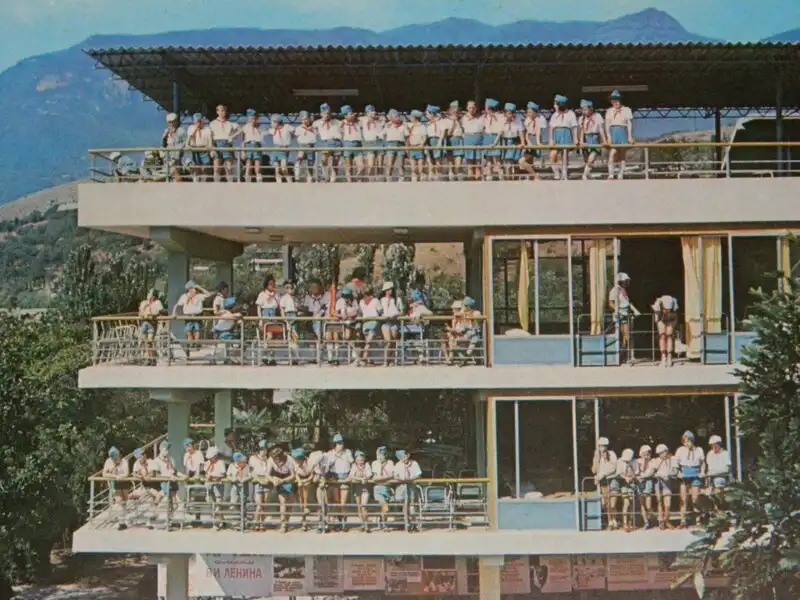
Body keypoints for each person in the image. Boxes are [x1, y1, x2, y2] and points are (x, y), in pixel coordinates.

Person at [608, 272, 640, 365]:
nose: (627, 282)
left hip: (627, 313)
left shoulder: (623, 290)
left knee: (630, 335)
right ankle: (625, 356)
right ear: (621, 281)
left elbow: (627, 302)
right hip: (622, 314)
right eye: (625, 281)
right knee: (626, 336)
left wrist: (634, 310)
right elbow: (611, 303)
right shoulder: (615, 290)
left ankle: (631, 355)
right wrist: (618, 310)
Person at [675, 430, 705, 528]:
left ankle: (698, 520)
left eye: (687, 441)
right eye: (684, 441)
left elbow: (702, 463)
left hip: (695, 474)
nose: (686, 443)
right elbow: (676, 464)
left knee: (695, 499)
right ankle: (683, 521)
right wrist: (678, 473)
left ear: (692, 440)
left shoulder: (699, 450)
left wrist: (702, 472)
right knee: (683, 499)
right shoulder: (680, 450)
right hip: (684, 474)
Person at [324, 433, 354, 530]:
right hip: (334, 478)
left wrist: (351, 475)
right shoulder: (329, 453)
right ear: (334, 445)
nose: (341, 445)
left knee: (343, 503)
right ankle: (335, 523)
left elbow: (353, 464)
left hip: (345, 477)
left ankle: (344, 523)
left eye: (342, 443)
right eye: (339, 443)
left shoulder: (347, 452)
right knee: (334, 502)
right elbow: (325, 467)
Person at [173, 280, 211, 354]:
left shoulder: (199, 296)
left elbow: (208, 295)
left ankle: (196, 344)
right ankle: (191, 345)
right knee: (188, 331)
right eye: (193, 288)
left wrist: (200, 288)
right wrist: (174, 313)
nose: (195, 290)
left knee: (198, 330)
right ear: (189, 289)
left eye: (195, 288)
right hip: (188, 317)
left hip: (197, 316)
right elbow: (177, 305)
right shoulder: (184, 296)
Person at [605, 90, 634, 180]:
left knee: (622, 153)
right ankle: (611, 174)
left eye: (617, 100)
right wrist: (608, 136)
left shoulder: (627, 110)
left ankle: (620, 174)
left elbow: (629, 124)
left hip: (623, 130)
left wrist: (629, 136)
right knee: (612, 152)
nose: (615, 102)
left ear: (620, 100)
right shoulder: (609, 111)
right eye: (613, 100)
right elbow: (607, 125)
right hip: (613, 131)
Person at [548, 95, 578, 180]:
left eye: (556, 104)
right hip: (556, 134)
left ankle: (564, 174)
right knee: (552, 155)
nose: (554, 106)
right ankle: (556, 173)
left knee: (564, 155)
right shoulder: (554, 115)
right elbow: (551, 127)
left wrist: (575, 138)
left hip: (566, 133)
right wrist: (551, 139)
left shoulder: (570, 113)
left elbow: (574, 127)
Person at [647, 443, 677, 529]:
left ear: (666, 451)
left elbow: (675, 472)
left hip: (667, 483)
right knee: (659, 501)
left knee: (668, 503)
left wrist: (669, 474)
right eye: (659, 453)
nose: (661, 455)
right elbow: (651, 472)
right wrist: (657, 474)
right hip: (658, 482)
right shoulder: (656, 461)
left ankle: (667, 520)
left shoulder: (672, 459)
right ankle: (661, 521)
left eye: (662, 452)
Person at [131, 448, 162, 528]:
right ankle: (151, 517)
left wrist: (148, 475)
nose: (142, 457)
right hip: (147, 485)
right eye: (139, 456)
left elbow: (154, 471)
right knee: (157, 496)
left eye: (143, 455)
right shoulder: (136, 464)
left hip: (155, 483)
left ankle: (152, 516)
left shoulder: (150, 461)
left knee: (155, 499)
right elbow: (134, 473)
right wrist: (142, 476)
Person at [591, 437, 618, 529]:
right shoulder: (597, 456)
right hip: (603, 481)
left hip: (612, 479)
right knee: (606, 502)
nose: (602, 448)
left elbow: (613, 467)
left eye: (604, 446)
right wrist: (595, 460)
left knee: (613, 502)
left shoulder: (612, 454)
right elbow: (594, 470)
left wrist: (603, 474)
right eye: (601, 446)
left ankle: (615, 519)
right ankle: (610, 521)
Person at [392, 450, 422, 532]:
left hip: (411, 485)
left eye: (404, 457)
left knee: (412, 505)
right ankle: (406, 523)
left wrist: (409, 479)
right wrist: (401, 479)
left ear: (408, 455)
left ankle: (414, 523)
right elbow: (395, 476)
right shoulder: (398, 465)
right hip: (402, 486)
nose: (404, 459)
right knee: (404, 506)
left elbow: (419, 475)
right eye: (401, 458)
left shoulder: (414, 463)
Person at [303, 279, 332, 361]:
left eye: (315, 287)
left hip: (323, 320)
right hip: (312, 320)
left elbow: (327, 307)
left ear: (321, 287)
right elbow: (306, 309)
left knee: (324, 338)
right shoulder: (308, 297)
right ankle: (313, 357)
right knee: (311, 338)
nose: (313, 289)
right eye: (312, 287)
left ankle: (324, 356)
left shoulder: (327, 295)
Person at [209, 104, 240, 182]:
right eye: (221, 110)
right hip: (216, 143)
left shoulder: (230, 123)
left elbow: (240, 129)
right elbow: (210, 137)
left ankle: (230, 183)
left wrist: (232, 136)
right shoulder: (212, 123)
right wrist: (212, 148)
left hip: (226, 143)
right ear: (217, 112)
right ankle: (216, 184)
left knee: (228, 166)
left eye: (224, 110)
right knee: (217, 166)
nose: (223, 112)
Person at [313, 103, 343, 183]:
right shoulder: (316, 123)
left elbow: (343, 130)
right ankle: (325, 177)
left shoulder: (337, 122)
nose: (326, 115)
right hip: (325, 143)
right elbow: (314, 131)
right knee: (324, 160)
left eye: (328, 113)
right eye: (324, 113)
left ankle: (333, 180)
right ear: (321, 114)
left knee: (335, 163)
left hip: (337, 142)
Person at [103, 446, 131, 529]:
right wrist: (114, 476)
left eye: (116, 456)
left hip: (124, 482)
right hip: (114, 483)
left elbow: (126, 473)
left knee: (125, 500)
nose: (115, 458)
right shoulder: (108, 462)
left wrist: (121, 476)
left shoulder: (124, 461)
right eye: (113, 457)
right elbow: (104, 473)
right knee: (119, 501)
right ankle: (121, 522)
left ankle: (123, 519)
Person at [578, 100, 606, 180]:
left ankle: (584, 175)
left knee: (592, 158)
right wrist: (581, 141)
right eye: (583, 110)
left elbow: (601, 129)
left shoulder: (597, 116)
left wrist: (604, 140)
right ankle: (588, 174)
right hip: (586, 138)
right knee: (587, 160)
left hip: (595, 138)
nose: (584, 111)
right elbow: (582, 131)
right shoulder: (581, 118)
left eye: (586, 109)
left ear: (591, 109)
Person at [518, 101, 546, 180]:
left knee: (523, 161)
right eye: (528, 112)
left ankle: (534, 176)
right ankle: (534, 175)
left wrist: (538, 143)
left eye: (530, 112)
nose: (529, 114)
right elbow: (527, 132)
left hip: (536, 139)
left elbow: (538, 132)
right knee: (523, 161)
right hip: (530, 139)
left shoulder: (541, 118)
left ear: (535, 112)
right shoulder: (527, 119)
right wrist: (528, 142)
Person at [613, 448, 638, 531]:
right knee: (626, 502)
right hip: (623, 483)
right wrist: (625, 477)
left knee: (631, 502)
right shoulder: (619, 461)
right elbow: (619, 472)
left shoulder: (635, 462)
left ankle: (631, 522)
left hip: (632, 483)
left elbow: (637, 472)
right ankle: (625, 523)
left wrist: (632, 477)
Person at [256, 275, 280, 363]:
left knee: (274, 337)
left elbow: (279, 306)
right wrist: (260, 319)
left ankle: (272, 357)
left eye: (273, 283)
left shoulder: (276, 295)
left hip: (274, 315)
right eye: (270, 284)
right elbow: (259, 307)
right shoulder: (262, 294)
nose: (272, 285)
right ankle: (264, 354)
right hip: (266, 314)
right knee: (269, 335)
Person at [348, 451, 373, 531]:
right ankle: (362, 523)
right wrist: (361, 479)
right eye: (358, 460)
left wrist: (365, 478)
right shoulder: (354, 466)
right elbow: (351, 476)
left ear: (364, 459)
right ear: (356, 460)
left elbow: (369, 474)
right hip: (357, 488)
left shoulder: (367, 465)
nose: (360, 462)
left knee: (364, 506)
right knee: (359, 507)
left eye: (362, 460)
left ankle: (366, 525)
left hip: (365, 488)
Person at [334, 286, 360, 364]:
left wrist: (348, 315)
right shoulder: (340, 301)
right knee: (343, 337)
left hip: (352, 323)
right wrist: (342, 316)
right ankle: (337, 357)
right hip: (343, 323)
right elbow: (335, 313)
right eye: (344, 295)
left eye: (347, 295)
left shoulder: (354, 301)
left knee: (352, 337)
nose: (345, 297)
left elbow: (357, 312)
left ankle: (355, 357)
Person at [652, 294, 680, 367]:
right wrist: (660, 325)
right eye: (665, 309)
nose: (667, 310)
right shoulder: (658, 305)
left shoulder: (674, 304)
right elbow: (657, 319)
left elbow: (675, 317)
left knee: (669, 335)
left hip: (671, 318)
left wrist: (672, 326)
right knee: (662, 336)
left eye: (668, 309)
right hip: (661, 318)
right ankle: (663, 356)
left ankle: (669, 356)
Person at [371, 446, 394, 531]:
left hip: (387, 488)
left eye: (382, 455)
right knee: (385, 507)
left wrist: (382, 478)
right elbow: (375, 478)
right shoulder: (374, 463)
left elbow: (392, 475)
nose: (380, 457)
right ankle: (384, 525)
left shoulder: (390, 463)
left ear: (385, 455)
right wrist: (386, 478)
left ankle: (382, 522)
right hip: (378, 488)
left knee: (384, 508)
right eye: (378, 455)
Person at [138, 289, 165, 364]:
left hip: (152, 323)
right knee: (145, 341)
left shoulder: (157, 302)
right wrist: (144, 310)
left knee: (149, 341)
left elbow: (161, 311)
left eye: (152, 295)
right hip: (144, 322)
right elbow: (140, 312)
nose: (150, 296)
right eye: (149, 294)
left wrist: (154, 314)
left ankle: (150, 358)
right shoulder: (143, 302)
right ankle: (150, 358)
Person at [249, 439, 271, 530]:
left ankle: (262, 524)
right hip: (257, 483)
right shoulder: (252, 458)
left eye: (265, 449)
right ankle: (255, 522)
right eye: (262, 449)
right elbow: (251, 471)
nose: (264, 451)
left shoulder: (268, 459)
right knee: (259, 505)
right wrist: (257, 478)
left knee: (265, 504)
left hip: (266, 482)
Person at [292, 447, 316, 530]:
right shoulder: (295, 463)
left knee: (306, 499)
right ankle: (303, 519)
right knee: (301, 500)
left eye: (298, 459)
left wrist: (306, 480)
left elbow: (312, 474)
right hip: (300, 480)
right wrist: (299, 481)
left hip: (308, 480)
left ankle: (306, 515)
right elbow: (295, 473)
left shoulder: (309, 462)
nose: (297, 460)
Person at [379, 281, 402, 366]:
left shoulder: (397, 300)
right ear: (385, 291)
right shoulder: (381, 300)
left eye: (391, 289)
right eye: (388, 289)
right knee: (388, 341)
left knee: (393, 341)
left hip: (394, 322)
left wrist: (396, 314)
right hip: (385, 323)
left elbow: (402, 311)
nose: (390, 291)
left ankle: (391, 360)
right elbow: (379, 311)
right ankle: (385, 360)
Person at [359, 285, 382, 365]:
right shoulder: (363, 301)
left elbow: (380, 311)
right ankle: (368, 359)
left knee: (369, 341)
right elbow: (380, 311)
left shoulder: (373, 301)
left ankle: (365, 358)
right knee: (369, 342)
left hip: (371, 323)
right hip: (368, 323)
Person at [186, 113, 213, 182]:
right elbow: (188, 140)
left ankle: (203, 182)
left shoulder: (207, 129)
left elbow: (210, 142)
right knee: (195, 168)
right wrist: (195, 129)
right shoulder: (191, 128)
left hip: (204, 150)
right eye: (196, 121)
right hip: (194, 149)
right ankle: (195, 181)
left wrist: (211, 151)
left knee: (204, 168)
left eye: (199, 121)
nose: (198, 122)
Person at [204, 446, 226, 529]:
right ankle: (220, 520)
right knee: (212, 503)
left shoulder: (220, 462)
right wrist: (208, 476)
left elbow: (222, 474)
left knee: (218, 503)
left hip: (218, 485)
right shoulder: (208, 463)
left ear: (215, 456)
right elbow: (205, 472)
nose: (210, 458)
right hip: (209, 485)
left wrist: (213, 475)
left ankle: (217, 522)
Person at [461, 100, 485, 181]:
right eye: (470, 108)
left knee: (478, 159)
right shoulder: (463, 118)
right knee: (469, 159)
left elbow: (483, 128)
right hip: (468, 137)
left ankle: (478, 177)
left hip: (478, 137)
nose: (471, 109)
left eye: (473, 108)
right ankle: (470, 176)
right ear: (467, 108)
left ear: (476, 108)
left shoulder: (481, 117)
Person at [360, 104, 384, 181]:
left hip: (379, 142)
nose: (373, 112)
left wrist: (377, 119)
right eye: (371, 111)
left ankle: (380, 179)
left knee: (380, 163)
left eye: (373, 111)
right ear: (367, 113)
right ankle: (371, 180)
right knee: (371, 164)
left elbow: (383, 123)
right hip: (369, 143)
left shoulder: (380, 120)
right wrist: (369, 119)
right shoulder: (363, 120)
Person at [499, 103, 523, 180]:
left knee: (515, 161)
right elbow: (500, 132)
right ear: (505, 113)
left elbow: (521, 132)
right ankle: (508, 178)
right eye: (509, 113)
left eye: (512, 113)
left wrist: (522, 143)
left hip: (515, 140)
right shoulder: (502, 120)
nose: (511, 115)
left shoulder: (518, 119)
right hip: (505, 141)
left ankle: (516, 179)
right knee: (507, 161)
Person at [339, 105, 364, 182]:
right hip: (347, 144)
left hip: (357, 144)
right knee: (348, 167)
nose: (353, 115)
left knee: (361, 166)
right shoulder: (342, 123)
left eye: (353, 113)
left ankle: (358, 179)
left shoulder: (359, 122)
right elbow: (339, 134)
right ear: (345, 115)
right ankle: (349, 182)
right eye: (350, 114)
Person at [161, 112, 187, 182]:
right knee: (170, 174)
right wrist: (165, 136)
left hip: (176, 157)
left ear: (176, 121)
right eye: (169, 122)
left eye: (173, 122)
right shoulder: (166, 131)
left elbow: (185, 143)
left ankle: (179, 186)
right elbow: (163, 145)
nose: (171, 124)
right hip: (167, 157)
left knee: (175, 173)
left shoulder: (181, 131)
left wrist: (179, 150)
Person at [267, 114, 293, 183]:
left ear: (276, 122)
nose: (271, 124)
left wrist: (290, 137)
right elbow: (264, 132)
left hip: (284, 149)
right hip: (275, 149)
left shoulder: (287, 127)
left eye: (272, 122)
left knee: (283, 168)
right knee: (277, 168)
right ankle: (278, 182)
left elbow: (294, 131)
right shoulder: (272, 130)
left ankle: (289, 180)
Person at [240, 108, 264, 182]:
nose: (254, 118)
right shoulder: (245, 127)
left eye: (255, 116)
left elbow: (262, 138)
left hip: (257, 145)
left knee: (257, 162)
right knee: (248, 162)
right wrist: (243, 151)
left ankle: (258, 177)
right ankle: (247, 178)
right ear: (248, 117)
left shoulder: (260, 127)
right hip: (248, 145)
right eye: (252, 116)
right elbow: (243, 141)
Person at [382, 109, 407, 181]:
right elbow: (382, 134)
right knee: (390, 164)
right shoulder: (388, 125)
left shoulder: (403, 124)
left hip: (400, 144)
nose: (397, 117)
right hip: (391, 144)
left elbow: (406, 135)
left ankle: (402, 179)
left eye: (398, 116)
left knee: (401, 164)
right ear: (391, 117)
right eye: (395, 116)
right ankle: (388, 179)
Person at [425, 105, 449, 181]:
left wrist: (440, 141)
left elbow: (443, 131)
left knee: (437, 158)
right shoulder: (428, 123)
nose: (426, 115)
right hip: (429, 141)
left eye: (427, 114)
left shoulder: (440, 121)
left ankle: (438, 173)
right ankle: (431, 174)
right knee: (430, 159)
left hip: (436, 140)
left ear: (432, 113)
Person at [705, 435, 731, 501]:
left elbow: (727, 470)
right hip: (711, 478)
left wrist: (713, 473)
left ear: (719, 444)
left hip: (722, 477)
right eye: (712, 445)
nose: (713, 447)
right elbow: (710, 469)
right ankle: (715, 501)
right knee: (708, 490)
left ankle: (719, 501)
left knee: (718, 480)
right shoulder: (710, 454)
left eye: (715, 445)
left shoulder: (725, 453)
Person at [294, 111, 318, 183]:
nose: (304, 121)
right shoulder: (298, 128)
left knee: (311, 163)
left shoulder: (314, 128)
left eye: (306, 119)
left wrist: (311, 129)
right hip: (301, 146)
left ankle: (310, 178)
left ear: (309, 119)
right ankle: (297, 178)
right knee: (298, 161)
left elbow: (317, 134)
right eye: (303, 119)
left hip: (310, 146)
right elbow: (295, 135)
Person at [635, 445, 655, 529]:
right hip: (639, 483)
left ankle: (652, 518)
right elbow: (635, 471)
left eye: (648, 452)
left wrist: (642, 476)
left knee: (648, 505)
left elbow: (651, 472)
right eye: (644, 452)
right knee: (642, 504)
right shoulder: (637, 461)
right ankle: (646, 522)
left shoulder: (652, 461)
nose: (646, 454)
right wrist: (638, 476)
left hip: (648, 482)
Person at [406, 109, 427, 182]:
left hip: (419, 147)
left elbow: (424, 137)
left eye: (411, 116)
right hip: (411, 147)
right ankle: (414, 177)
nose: (410, 118)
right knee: (413, 166)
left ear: (415, 117)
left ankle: (421, 177)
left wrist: (422, 144)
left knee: (420, 165)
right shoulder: (409, 125)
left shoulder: (422, 126)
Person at [445, 101, 465, 180]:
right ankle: (451, 174)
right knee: (451, 159)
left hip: (459, 140)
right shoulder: (447, 120)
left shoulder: (460, 120)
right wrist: (453, 122)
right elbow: (448, 133)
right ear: (450, 111)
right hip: (451, 139)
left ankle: (457, 173)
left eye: (457, 111)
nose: (456, 113)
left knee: (459, 160)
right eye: (454, 111)